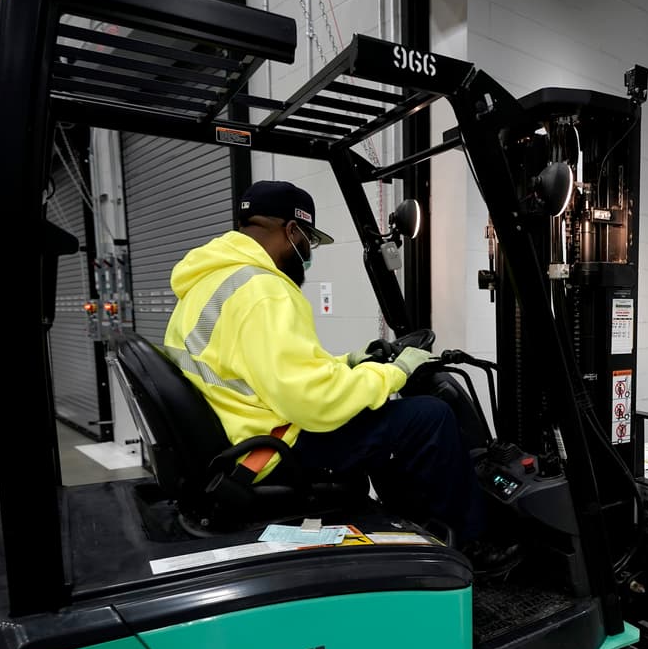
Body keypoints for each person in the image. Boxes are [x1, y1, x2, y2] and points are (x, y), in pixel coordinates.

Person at [163, 180, 485, 545]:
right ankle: (470, 545)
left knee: (381, 421)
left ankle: (407, 521)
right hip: (269, 448)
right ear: (292, 230)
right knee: (429, 416)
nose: (308, 251)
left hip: (237, 434)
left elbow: (257, 368)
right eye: (309, 241)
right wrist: (394, 373)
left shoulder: (209, 282)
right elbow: (315, 402)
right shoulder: (265, 291)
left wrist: (348, 362)